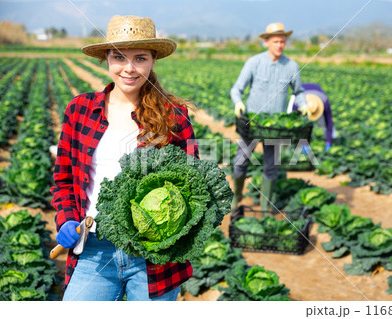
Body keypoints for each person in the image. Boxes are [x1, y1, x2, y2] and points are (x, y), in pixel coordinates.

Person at [50, 15, 198, 301]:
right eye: (119, 57)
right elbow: (63, 178)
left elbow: (192, 188)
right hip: (93, 247)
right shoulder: (80, 110)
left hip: (153, 258)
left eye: (140, 58)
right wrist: (67, 219)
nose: (129, 69)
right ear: (107, 58)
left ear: (153, 60)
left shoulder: (173, 117)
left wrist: (167, 234)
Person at [230, 22, 310, 211]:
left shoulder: (292, 66)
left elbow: (298, 91)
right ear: (266, 42)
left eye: (283, 41)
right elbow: (237, 89)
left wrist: (304, 104)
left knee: (271, 166)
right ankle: (237, 195)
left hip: (276, 126)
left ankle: (266, 206)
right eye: (276, 41)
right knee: (241, 161)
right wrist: (238, 102)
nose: (280, 45)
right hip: (252, 123)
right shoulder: (254, 63)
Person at [292, 83, 337, 151]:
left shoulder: (324, 102)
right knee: (298, 124)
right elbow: (294, 123)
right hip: (299, 92)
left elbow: (329, 122)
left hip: (318, 93)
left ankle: (332, 139)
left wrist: (328, 142)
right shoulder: (296, 103)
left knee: (325, 125)